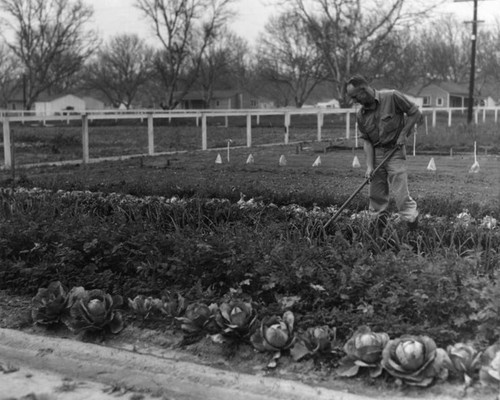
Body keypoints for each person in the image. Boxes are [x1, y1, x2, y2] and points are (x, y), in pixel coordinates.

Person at [345, 74, 422, 231]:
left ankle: (413, 226)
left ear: (364, 89)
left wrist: (403, 134)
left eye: (355, 97)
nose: (354, 101)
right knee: (377, 196)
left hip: (395, 150)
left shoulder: (392, 97)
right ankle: (378, 230)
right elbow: (366, 140)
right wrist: (368, 166)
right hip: (376, 153)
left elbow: (415, 113)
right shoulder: (361, 114)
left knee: (400, 193)